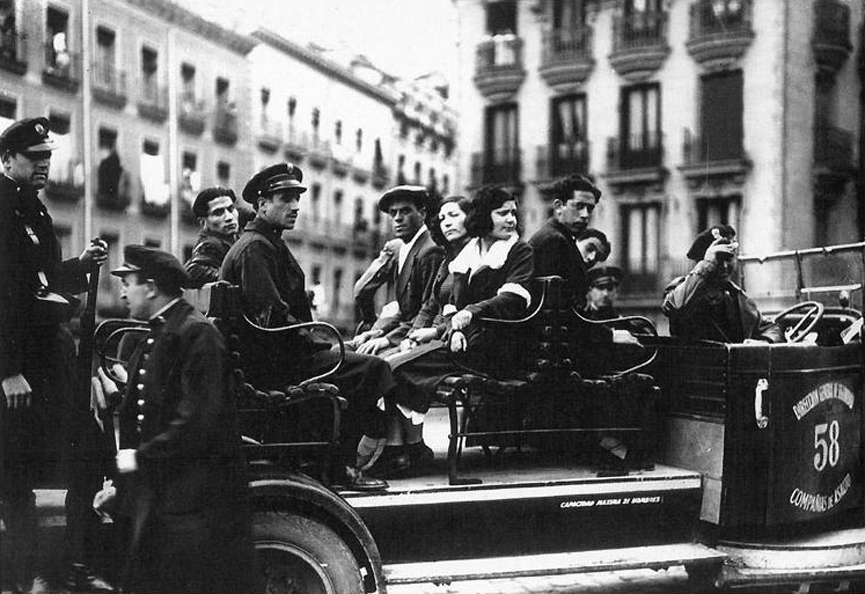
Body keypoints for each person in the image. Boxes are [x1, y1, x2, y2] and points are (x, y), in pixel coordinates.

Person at [220, 163, 392, 491]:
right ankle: (343, 467)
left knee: (357, 360)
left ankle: (333, 459)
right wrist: (316, 343)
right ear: (261, 204)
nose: (296, 206)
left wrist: (316, 341)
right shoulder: (257, 248)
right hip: (274, 364)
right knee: (372, 369)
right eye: (286, 198)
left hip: (270, 357)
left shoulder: (263, 242)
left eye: (298, 198)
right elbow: (272, 318)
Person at [99, 245, 254, 594]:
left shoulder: (197, 334)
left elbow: (197, 421)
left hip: (194, 505)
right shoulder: (160, 332)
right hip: (165, 496)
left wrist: (137, 460)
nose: (122, 291)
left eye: (129, 282)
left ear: (151, 287)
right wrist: (122, 485)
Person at [0, 117, 109, 594]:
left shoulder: (35, 212)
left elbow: (38, 284)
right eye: (35, 158)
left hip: (47, 362)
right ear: (7, 160)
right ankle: (28, 578)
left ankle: (66, 566)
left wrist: (79, 267)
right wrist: (8, 371)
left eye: (48, 158)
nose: (45, 165)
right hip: (17, 370)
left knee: (89, 456)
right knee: (14, 476)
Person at [373, 186, 534, 477]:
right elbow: (451, 302)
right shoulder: (471, 252)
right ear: (485, 216)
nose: (511, 219)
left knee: (393, 366)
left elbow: (514, 297)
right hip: (465, 341)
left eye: (513, 213)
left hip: (498, 345)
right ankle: (402, 448)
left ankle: (403, 450)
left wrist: (470, 313)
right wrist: (450, 326)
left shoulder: (518, 250)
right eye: (502, 213)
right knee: (390, 364)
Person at [350, 185, 444, 355]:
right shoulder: (401, 248)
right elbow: (405, 311)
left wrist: (388, 339)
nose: (398, 219)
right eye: (393, 213)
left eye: (405, 211)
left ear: (422, 214)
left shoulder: (430, 250)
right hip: (401, 330)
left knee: (367, 362)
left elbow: (427, 310)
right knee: (341, 352)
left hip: (419, 337)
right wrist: (377, 331)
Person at [662, 225, 783, 343]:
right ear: (702, 261)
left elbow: (771, 328)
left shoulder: (735, 296)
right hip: (692, 362)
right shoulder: (681, 289)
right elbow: (677, 306)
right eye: (718, 259)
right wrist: (707, 264)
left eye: (728, 258)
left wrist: (764, 342)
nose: (724, 266)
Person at [528, 174, 601, 306]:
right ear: (558, 206)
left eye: (590, 209)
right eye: (579, 207)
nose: (585, 215)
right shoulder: (554, 241)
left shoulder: (558, 237)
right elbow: (561, 307)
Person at [183, 186, 240, 288]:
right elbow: (193, 270)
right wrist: (232, 277)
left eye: (231, 209)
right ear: (203, 222)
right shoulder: (210, 244)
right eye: (218, 213)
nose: (229, 217)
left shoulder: (232, 238)